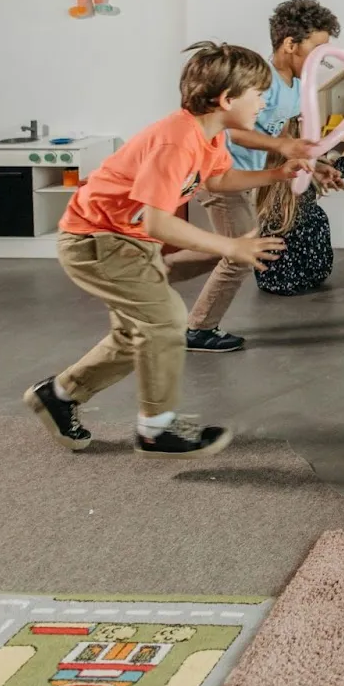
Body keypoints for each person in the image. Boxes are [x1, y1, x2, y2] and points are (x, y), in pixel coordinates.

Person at [23, 42, 300, 458]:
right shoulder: (177, 141)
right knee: (167, 321)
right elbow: (159, 221)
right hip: (96, 240)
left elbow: (218, 182)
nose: (264, 100)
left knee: (135, 334)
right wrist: (230, 245)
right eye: (258, 93)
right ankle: (156, 429)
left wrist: (277, 173)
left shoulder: (209, 135)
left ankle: (59, 395)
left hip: (127, 241)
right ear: (227, 99)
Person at [179, 0, 344, 353]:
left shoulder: (298, 89)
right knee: (241, 252)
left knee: (224, 249)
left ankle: (146, 274)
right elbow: (232, 131)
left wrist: (316, 168)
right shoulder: (260, 83)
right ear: (290, 44)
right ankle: (198, 329)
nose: (321, 60)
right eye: (316, 49)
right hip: (219, 174)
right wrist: (281, 147)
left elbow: (282, 140)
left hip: (247, 177)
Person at [252, 119, 335, 297]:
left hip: (269, 280)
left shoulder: (264, 179)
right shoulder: (307, 175)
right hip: (306, 278)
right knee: (316, 218)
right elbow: (337, 170)